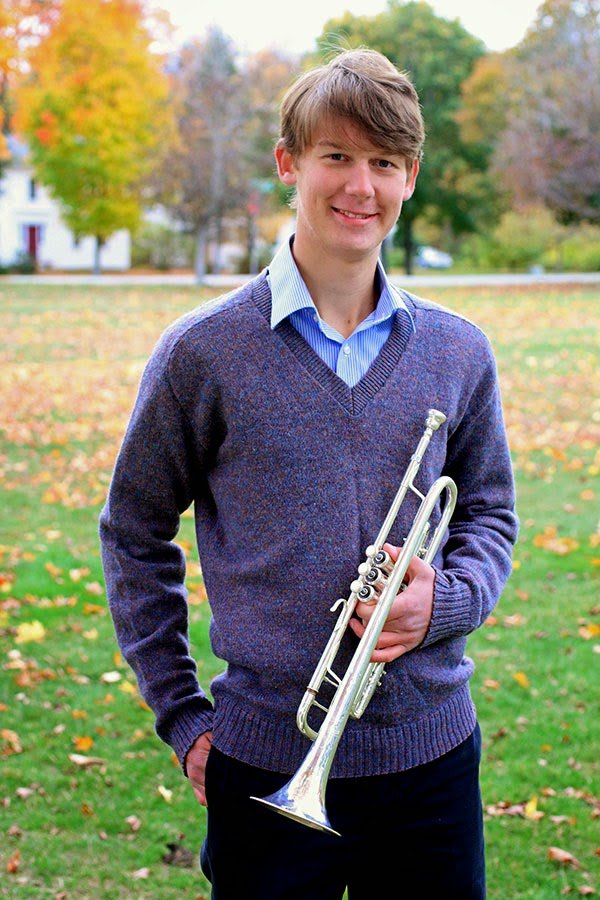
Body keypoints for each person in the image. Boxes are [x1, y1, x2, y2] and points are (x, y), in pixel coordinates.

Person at [100, 48, 518, 899]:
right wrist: (182, 717)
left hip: (432, 758)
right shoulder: (203, 353)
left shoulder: (458, 349)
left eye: (384, 163)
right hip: (261, 761)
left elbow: (489, 514)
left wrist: (445, 601)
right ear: (290, 163)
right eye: (336, 155)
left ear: (409, 180)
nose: (360, 185)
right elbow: (133, 532)